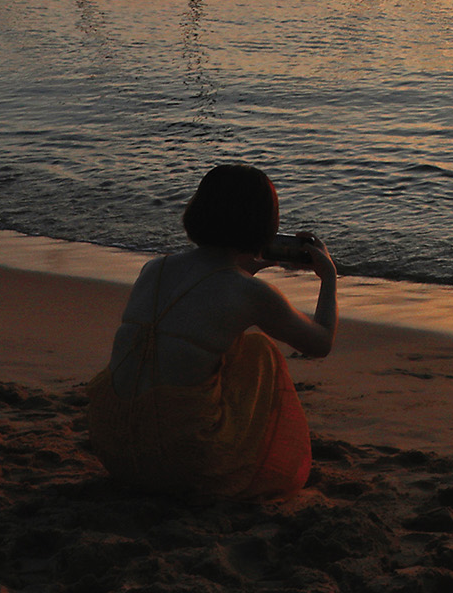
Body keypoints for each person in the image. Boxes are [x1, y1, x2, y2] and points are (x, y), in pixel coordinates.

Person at [85, 164, 337, 498]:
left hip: (113, 445)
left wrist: (246, 270)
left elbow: (206, 298)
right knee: (259, 352)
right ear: (264, 224)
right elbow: (320, 342)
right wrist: (329, 277)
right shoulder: (249, 293)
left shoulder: (154, 269)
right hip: (182, 461)